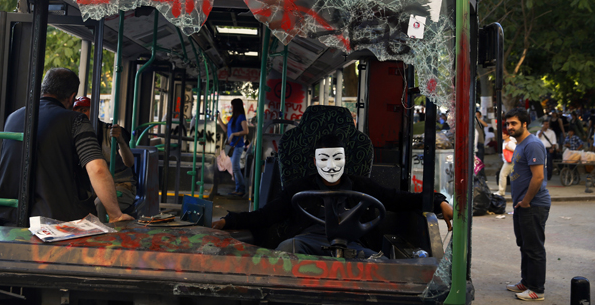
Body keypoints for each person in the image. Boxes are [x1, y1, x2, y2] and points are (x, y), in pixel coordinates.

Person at [212, 134, 453, 258]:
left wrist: (438, 200)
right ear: (315, 161)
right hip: (306, 243)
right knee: (285, 250)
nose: (331, 165)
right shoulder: (300, 188)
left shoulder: (363, 186)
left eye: (337, 158)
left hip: (355, 246)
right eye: (324, 159)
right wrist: (229, 221)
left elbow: (399, 199)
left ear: (345, 159)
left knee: (382, 267)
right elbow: (266, 215)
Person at [0, 68, 134, 225]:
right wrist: (115, 214)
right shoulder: (76, 121)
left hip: (5, 217)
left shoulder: (13, 117)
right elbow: (97, 168)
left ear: (43, 89)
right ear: (71, 98)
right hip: (56, 220)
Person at [506, 107, 551, 301]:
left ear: (525, 123)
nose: (509, 127)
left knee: (534, 247)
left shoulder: (533, 144)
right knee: (524, 245)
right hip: (522, 205)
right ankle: (526, 282)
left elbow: (538, 177)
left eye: (513, 123)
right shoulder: (520, 144)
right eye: (507, 123)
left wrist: (525, 202)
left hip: (533, 205)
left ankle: (537, 290)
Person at [72, 96, 138, 221]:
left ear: (95, 112)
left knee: (101, 203)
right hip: (92, 186)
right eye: (78, 111)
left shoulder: (111, 132)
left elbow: (129, 162)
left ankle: (103, 236)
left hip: (121, 184)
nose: (81, 115)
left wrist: (120, 141)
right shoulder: (75, 135)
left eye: (85, 110)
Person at [216, 99, 249, 196]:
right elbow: (226, 129)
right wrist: (219, 120)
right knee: (234, 168)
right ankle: (238, 188)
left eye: (232, 105)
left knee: (235, 167)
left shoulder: (241, 117)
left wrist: (234, 134)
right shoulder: (232, 118)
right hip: (231, 147)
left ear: (236, 106)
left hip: (237, 146)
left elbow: (246, 131)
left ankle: (241, 189)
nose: (231, 107)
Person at [495, 130, 516, 197]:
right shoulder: (504, 142)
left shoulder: (510, 142)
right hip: (507, 161)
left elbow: (516, 150)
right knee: (512, 176)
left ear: (508, 135)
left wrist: (509, 148)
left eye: (504, 134)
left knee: (502, 175)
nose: (502, 135)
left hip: (509, 162)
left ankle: (501, 191)